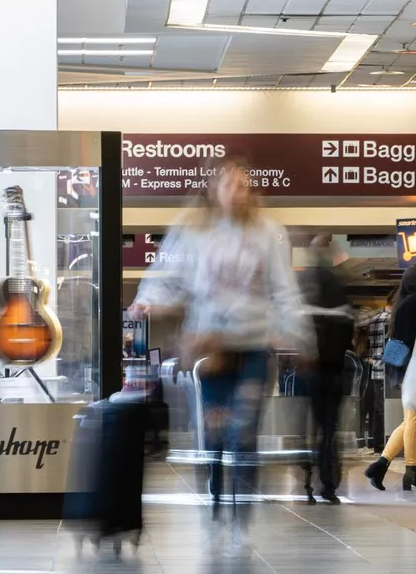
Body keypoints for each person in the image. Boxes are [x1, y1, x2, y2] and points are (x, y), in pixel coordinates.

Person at [128, 153, 313, 558]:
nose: (235, 192)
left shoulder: (267, 233)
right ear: (214, 189)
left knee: (243, 435)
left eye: (242, 185)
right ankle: (215, 511)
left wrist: (299, 335)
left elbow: (284, 290)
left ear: (250, 192)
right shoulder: (193, 231)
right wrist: (146, 301)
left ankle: (239, 525)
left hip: (252, 346)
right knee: (213, 436)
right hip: (210, 348)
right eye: (228, 184)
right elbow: (169, 275)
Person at [364, 264, 416, 494]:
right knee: (415, 421)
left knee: (411, 421)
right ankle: (411, 470)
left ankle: (381, 466)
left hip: (410, 369)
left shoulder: (407, 301)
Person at [298, 235, 355, 505]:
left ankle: (309, 480)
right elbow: (346, 328)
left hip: (310, 368)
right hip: (331, 368)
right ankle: (327, 484)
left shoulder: (305, 282)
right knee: (329, 430)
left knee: (313, 427)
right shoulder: (337, 283)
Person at [360, 289, 395, 455]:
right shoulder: (390, 320)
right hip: (387, 370)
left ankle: (378, 444)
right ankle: (385, 446)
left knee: (378, 410)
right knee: (385, 409)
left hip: (376, 369)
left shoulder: (375, 319)